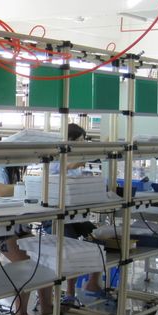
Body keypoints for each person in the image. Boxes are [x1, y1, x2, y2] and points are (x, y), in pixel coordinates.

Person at [0, 164, 52, 315]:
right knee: (26, 263)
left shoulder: (13, 169)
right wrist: (32, 187)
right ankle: (20, 313)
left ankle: (47, 306)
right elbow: (0, 190)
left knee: (44, 257)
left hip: (16, 225)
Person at [50, 123, 103, 301]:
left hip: (75, 211)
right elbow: (65, 167)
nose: (83, 143)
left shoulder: (77, 158)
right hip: (57, 214)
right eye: (80, 140)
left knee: (97, 239)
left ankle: (93, 282)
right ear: (69, 140)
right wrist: (82, 161)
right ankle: (69, 292)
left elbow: (85, 176)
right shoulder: (55, 156)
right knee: (70, 248)